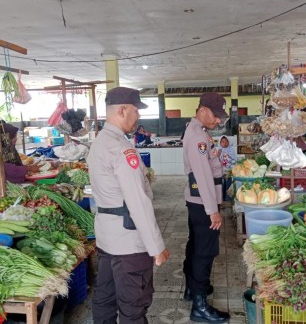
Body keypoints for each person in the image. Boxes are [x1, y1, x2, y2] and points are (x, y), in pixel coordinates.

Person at [87, 87, 170, 324]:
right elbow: (138, 202)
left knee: (104, 300)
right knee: (133, 307)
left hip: (107, 239)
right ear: (122, 110)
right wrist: (156, 246)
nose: (138, 116)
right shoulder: (122, 149)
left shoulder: (100, 143)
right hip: (129, 244)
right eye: (136, 111)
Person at [182, 92, 230, 323]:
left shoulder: (199, 132)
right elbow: (202, 176)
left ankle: (192, 289)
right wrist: (213, 210)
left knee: (195, 246)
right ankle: (199, 307)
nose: (218, 121)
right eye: (216, 115)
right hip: (203, 204)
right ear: (202, 110)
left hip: (197, 202)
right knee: (205, 252)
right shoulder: (198, 137)